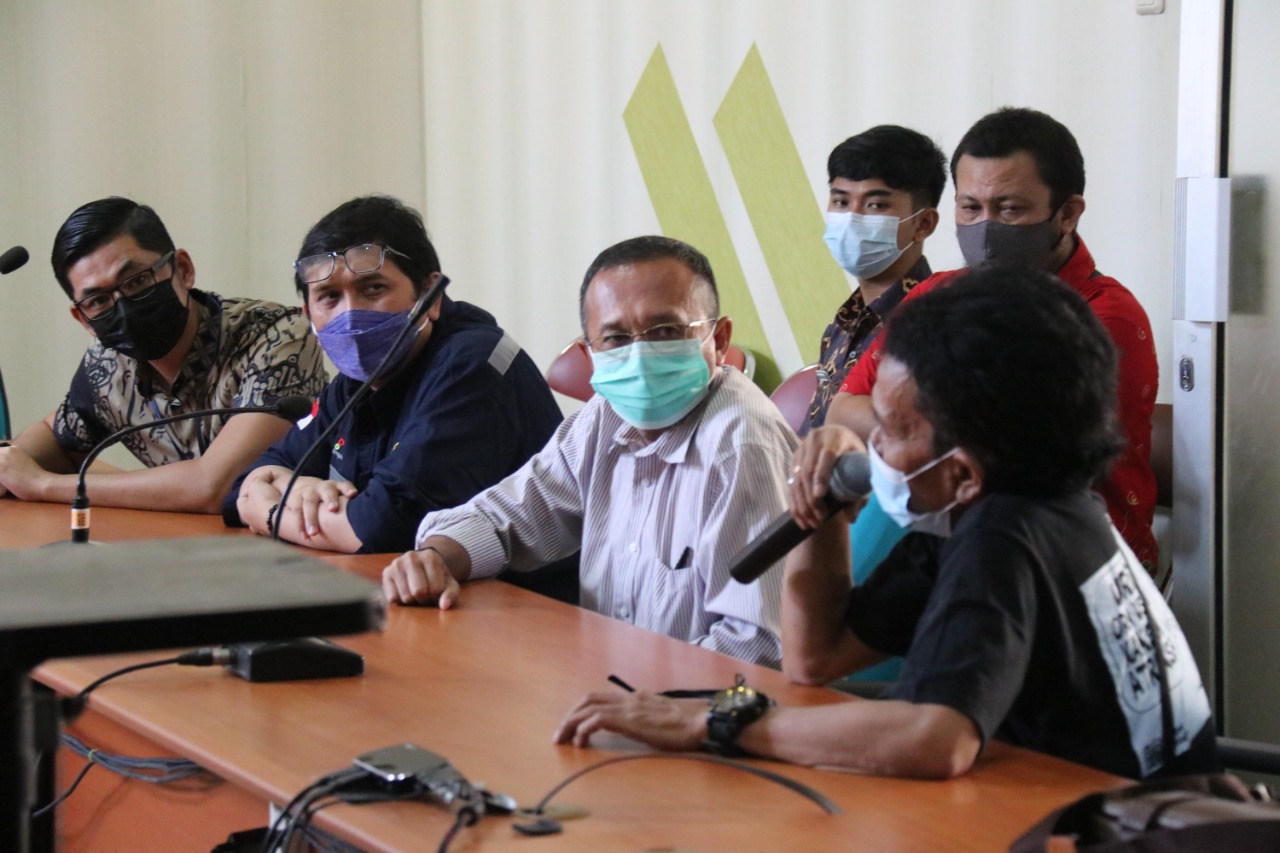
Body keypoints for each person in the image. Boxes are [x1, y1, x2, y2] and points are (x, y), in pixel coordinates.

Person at [555, 266, 1216, 781]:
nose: (874, 446)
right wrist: (824, 505)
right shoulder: (1009, 507)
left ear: (963, 471)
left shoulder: (1007, 535)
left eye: (894, 429)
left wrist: (713, 722)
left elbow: (934, 740)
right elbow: (817, 656)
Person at [381, 236, 797, 667]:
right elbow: (508, 516)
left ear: (720, 339)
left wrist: (646, 700)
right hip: (607, 681)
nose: (639, 356)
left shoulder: (744, 445)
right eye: (615, 338)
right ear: (589, 353)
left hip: (692, 701)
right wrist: (435, 559)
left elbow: (758, 646)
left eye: (666, 331)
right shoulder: (605, 417)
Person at [829, 107, 1160, 568]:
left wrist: (905, 427)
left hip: (1069, 561)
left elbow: (1009, 457)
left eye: (1009, 209)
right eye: (970, 208)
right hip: (945, 540)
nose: (985, 228)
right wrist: (941, 432)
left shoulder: (1102, 316)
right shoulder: (935, 294)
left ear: (1067, 214)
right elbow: (843, 410)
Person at [224, 195, 563, 556]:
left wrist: (271, 512)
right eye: (329, 296)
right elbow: (242, 489)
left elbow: (381, 527)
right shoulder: (353, 383)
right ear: (308, 315)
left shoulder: (473, 364)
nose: (350, 315)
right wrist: (295, 487)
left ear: (430, 297)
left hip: (512, 589)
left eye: (373, 288)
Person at [0, 197, 326, 512]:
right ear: (84, 319)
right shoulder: (108, 363)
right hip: (181, 541)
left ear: (182, 269)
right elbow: (59, 438)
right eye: (98, 301)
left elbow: (217, 486)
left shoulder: (278, 336)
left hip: (301, 537)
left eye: (136, 281)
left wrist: (42, 485)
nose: (123, 307)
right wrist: (10, 462)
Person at [807, 125, 945, 433]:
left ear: (923, 224)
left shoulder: (934, 327)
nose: (852, 218)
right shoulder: (845, 321)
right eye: (841, 202)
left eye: (876, 205)